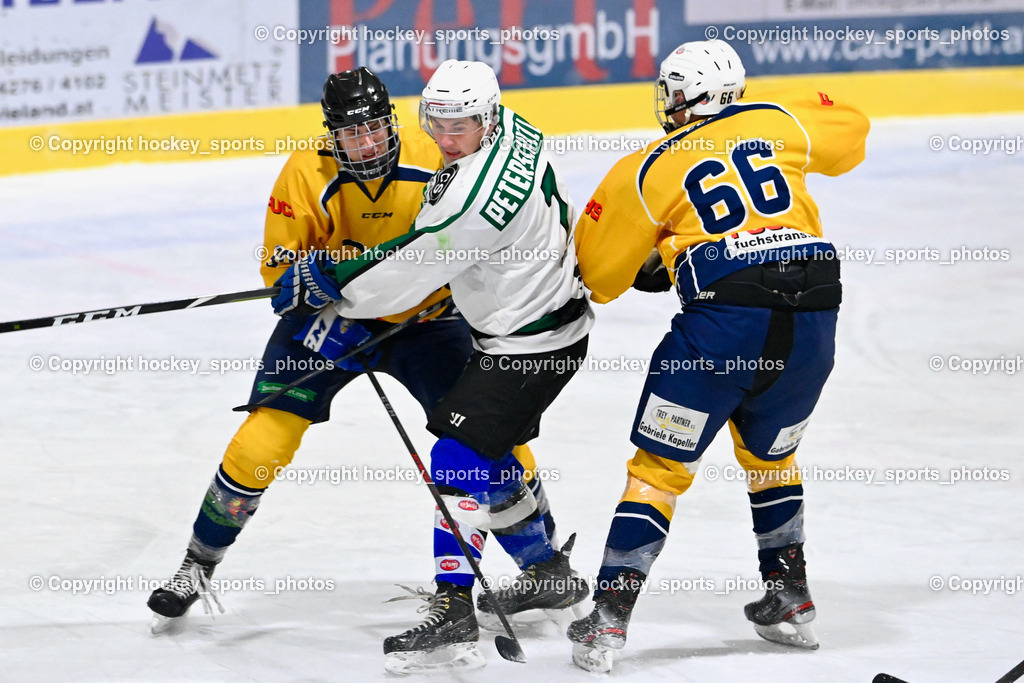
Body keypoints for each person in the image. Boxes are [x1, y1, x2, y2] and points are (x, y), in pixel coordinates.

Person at [146, 67, 565, 635]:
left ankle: (542, 564)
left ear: (393, 123)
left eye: (373, 129)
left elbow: (468, 243)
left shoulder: (438, 156)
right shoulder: (306, 172)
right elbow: (280, 276)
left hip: (427, 319)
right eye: (350, 133)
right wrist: (300, 280)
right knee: (262, 438)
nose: (365, 143)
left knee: (488, 436)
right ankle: (197, 565)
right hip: (336, 321)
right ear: (330, 133)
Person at [270, 59, 595, 674]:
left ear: (487, 117)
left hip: (530, 344)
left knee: (454, 454)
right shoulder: (515, 131)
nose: (446, 140)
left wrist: (330, 282)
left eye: (461, 126)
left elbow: (407, 276)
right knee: (483, 454)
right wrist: (352, 267)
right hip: (542, 324)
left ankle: (453, 608)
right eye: (438, 124)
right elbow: (421, 245)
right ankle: (548, 573)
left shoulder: (471, 198)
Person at [565, 39, 870, 672]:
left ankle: (608, 623)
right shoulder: (780, 121)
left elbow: (596, 274)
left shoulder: (647, 166)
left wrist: (659, 253)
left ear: (680, 97)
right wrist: (785, 112)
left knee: (658, 470)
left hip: (723, 327)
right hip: (814, 319)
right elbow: (853, 131)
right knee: (772, 453)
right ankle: (790, 597)